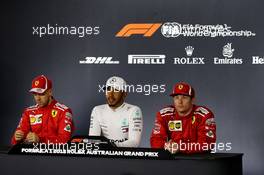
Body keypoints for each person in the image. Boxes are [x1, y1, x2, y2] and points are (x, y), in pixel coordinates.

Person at [150, 82, 216, 154]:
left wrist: (180, 147)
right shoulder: (164, 115)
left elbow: (207, 144)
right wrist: (166, 146)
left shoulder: (204, 115)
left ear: (192, 100)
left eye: (184, 97)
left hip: (198, 161)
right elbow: (155, 140)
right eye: (176, 97)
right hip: (173, 160)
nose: (180, 102)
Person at [11, 75, 74, 145]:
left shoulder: (63, 111)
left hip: (54, 155)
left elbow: (65, 141)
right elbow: (14, 142)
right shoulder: (28, 112)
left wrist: (40, 140)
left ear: (50, 92)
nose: (37, 98)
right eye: (35, 94)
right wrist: (17, 138)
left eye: (41, 94)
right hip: (31, 155)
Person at [89, 76, 143, 147]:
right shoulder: (97, 110)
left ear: (124, 94)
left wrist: (111, 146)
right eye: (108, 90)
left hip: (126, 156)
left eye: (116, 90)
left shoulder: (134, 110)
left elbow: (134, 142)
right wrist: (107, 147)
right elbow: (93, 140)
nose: (110, 94)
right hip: (104, 155)